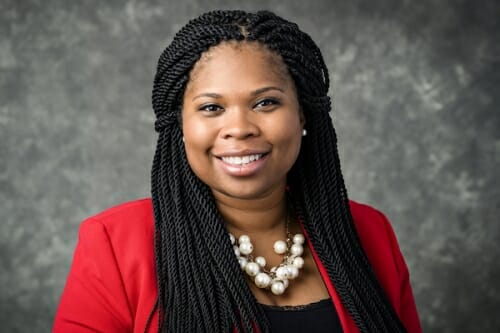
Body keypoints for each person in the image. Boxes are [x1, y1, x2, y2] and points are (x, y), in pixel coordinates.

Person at [53, 9, 422, 333]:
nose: (240, 127)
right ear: (180, 125)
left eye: (266, 102)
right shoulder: (115, 245)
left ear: (303, 114)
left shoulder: (370, 233)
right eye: (212, 108)